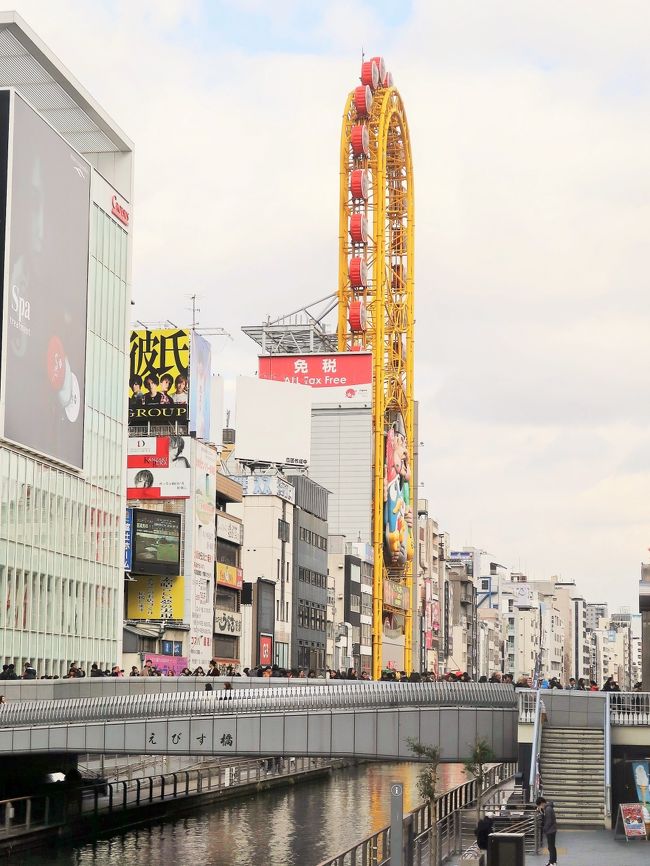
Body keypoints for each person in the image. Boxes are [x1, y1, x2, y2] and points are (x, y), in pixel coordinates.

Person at [536, 796, 558, 866]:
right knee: (552, 846)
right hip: (552, 829)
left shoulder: (548, 809)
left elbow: (549, 821)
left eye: (539, 806)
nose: (540, 807)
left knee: (550, 847)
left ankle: (551, 862)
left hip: (550, 830)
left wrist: (544, 829)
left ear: (542, 803)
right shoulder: (548, 808)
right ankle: (553, 861)